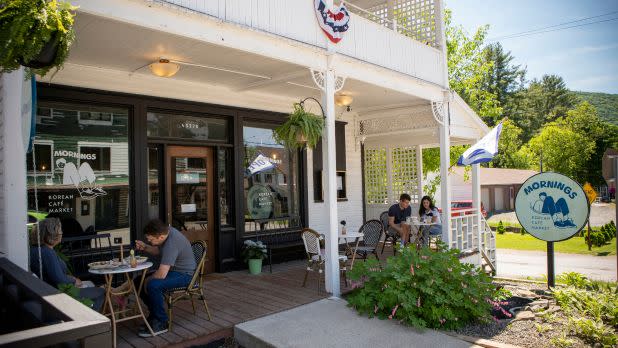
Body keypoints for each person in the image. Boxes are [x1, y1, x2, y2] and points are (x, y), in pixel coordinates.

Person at [135, 219, 196, 337]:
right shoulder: (167, 232)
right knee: (138, 281)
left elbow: (161, 274)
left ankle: (162, 322)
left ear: (160, 236)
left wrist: (148, 280)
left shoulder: (171, 243)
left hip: (185, 275)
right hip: (174, 271)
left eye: (150, 239)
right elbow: (158, 250)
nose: (148, 240)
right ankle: (155, 315)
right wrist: (145, 247)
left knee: (152, 285)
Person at [29, 217, 105, 311]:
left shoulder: (35, 250)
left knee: (96, 287)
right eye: (60, 229)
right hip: (61, 294)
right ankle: (90, 320)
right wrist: (73, 281)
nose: (61, 233)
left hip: (51, 291)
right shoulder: (47, 252)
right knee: (101, 291)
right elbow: (59, 278)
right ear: (52, 233)